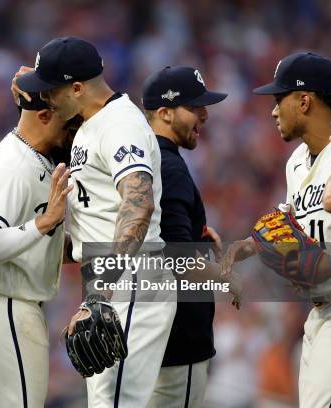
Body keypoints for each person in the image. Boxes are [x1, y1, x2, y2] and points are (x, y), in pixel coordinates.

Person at [15, 36, 176, 408]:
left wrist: (101, 294)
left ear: (76, 87)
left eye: (51, 90)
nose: (47, 99)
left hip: (131, 279)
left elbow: (139, 205)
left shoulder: (120, 124)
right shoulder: (89, 121)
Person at [223, 52, 331, 408]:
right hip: (318, 311)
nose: (272, 111)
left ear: (304, 100)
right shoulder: (296, 163)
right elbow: (286, 223)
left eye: (278, 99)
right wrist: (249, 244)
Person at [0, 91, 75, 408]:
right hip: (4, 310)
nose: (74, 131)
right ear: (45, 116)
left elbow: (28, 246)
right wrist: (43, 222)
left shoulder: (34, 156)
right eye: (68, 121)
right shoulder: (13, 165)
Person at [141, 65, 228, 407]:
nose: (204, 115)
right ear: (163, 113)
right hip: (178, 340)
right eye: (194, 107)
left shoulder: (138, 161)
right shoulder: (170, 166)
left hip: (143, 331)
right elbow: (177, 256)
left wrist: (198, 237)